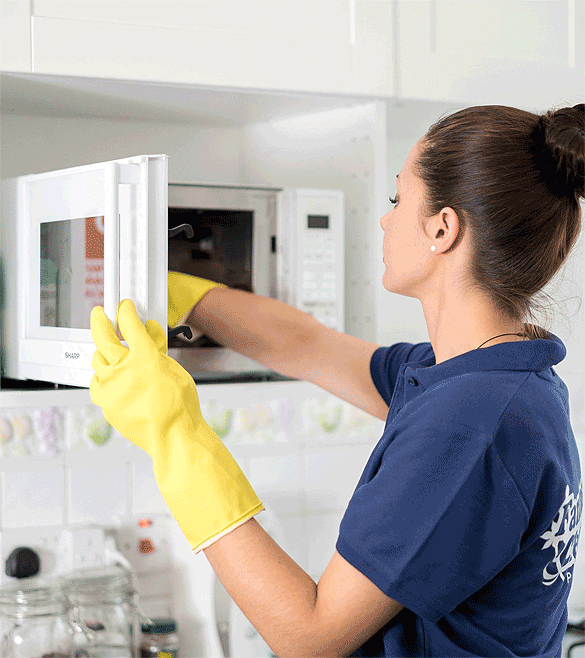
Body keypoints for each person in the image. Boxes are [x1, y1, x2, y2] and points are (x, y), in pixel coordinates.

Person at [90, 103, 584, 657]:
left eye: (398, 199)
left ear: (442, 229)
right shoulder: (499, 378)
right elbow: (309, 347)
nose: (384, 218)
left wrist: (173, 434)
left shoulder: (470, 420)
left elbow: (310, 637)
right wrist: (177, 294)